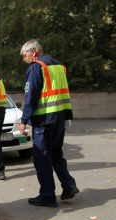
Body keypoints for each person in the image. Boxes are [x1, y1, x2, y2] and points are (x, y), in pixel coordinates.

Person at [19, 39, 79, 207]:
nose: (25, 60)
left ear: (33, 52)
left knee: (42, 157)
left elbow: (31, 97)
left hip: (45, 119)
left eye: (25, 56)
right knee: (56, 152)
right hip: (60, 117)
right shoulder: (59, 66)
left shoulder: (36, 67)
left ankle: (47, 195)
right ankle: (68, 185)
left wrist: (24, 120)